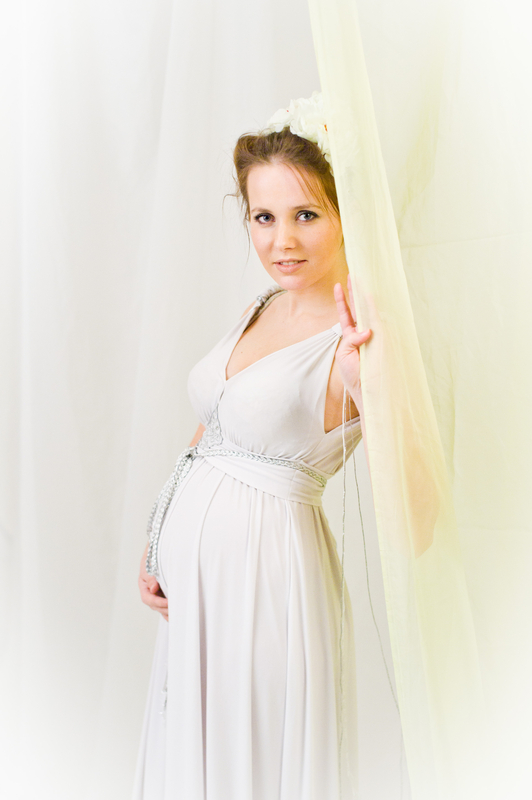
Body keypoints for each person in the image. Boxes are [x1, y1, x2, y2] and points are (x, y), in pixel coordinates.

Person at [133, 92, 372, 800]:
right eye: (263, 217)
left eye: (307, 215)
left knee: (255, 757)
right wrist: (158, 539)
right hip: (198, 589)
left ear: (348, 213)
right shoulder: (263, 305)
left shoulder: (360, 336)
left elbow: (420, 505)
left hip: (268, 580)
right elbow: (216, 428)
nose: (281, 241)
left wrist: (369, 385)